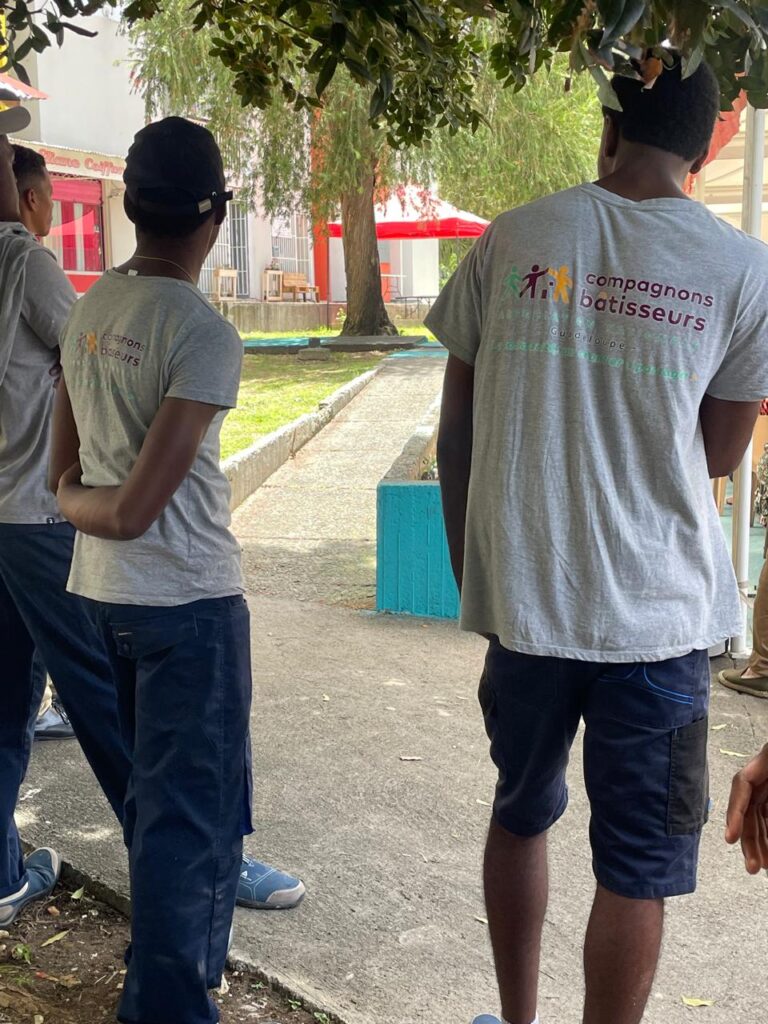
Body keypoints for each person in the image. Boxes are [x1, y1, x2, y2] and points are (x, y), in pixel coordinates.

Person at [427, 54, 768, 1024]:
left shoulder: (514, 236)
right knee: (635, 869)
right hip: (660, 621)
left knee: (520, 812)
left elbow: (457, 429)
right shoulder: (744, 269)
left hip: (529, 605)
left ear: (608, 127)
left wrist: (474, 575)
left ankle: (516, 1019)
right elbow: (719, 451)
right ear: (703, 151)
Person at [0, 134, 304, 932]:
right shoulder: (192, 328)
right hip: (143, 573)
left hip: (68, 557)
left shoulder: (95, 300)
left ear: (131, 205)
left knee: (51, 728)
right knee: (172, 786)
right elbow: (132, 505)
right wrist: (75, 498)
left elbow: (71, 440)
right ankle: (183, 931)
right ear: (216, 215)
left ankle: (156, 944)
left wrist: (71, 493)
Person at [12, 142, 76, 742]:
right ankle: (157, 808)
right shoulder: (28, 262)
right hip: (35, 506)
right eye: (52, 196)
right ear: (30, 197)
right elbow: (84, 353)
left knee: (9, 695)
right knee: (97, 683)